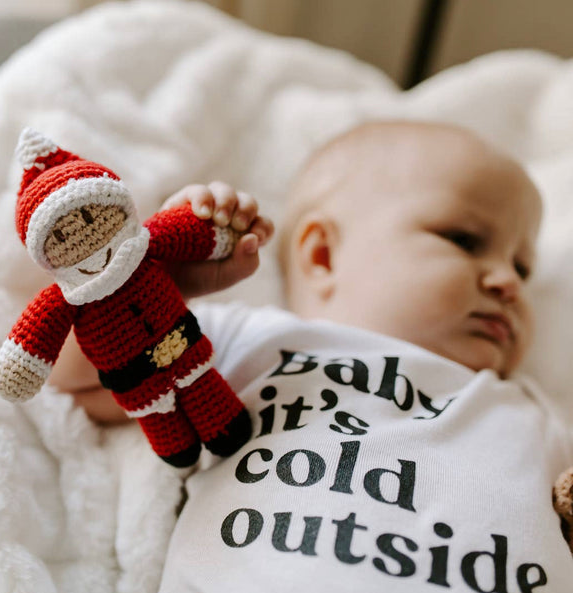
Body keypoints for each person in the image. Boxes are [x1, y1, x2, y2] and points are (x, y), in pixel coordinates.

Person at [54, 121, 573, 591]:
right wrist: (162, 286)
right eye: (464, 239)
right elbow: (77, 376)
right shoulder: (251, 340)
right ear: (323, 255)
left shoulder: (531, 410)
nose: (507, 281)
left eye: (523, 268)